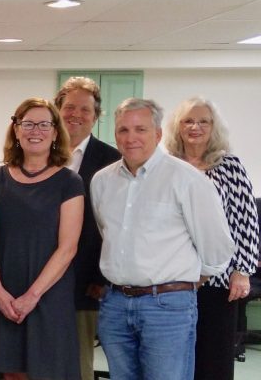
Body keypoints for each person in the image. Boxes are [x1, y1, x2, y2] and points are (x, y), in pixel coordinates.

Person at [92, 98, 235, 379]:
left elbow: (217, 251)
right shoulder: (102, 181)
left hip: (168, 308)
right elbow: (107, 233)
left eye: (140, 129)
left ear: (157, 134)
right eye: (123, 130)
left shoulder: (187, 179)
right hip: (115, 306)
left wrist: (183, 284)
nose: (131, 137)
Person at [0, 98, 83, 380]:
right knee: (12, 373)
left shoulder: (69, 182)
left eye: (43, 124)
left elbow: (68, 247)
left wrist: (33, 296)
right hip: (7, 293)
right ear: (15, 130)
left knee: (47, 372)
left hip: (49, 294)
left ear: (55, 132)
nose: (34, 131)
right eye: (27, 124)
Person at [163, 97, 259, 380]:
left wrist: (242, 271)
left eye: (203, 121)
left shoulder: (230, 165)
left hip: (218, 278)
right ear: (177, 127)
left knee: (213, 357)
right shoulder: (166, 166)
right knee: (174, 356)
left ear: (213, 127)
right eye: (188, 121)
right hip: (172, 278)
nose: (195, 127)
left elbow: (246, 220)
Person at [52, 76, 121, 380]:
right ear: (57, 109)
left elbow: (116, 225)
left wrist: (102, 277)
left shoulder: (111, 161)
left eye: (85, 109)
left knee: (78, 363)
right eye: (69, 107)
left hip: (86, 280)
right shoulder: (38, 153)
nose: (76, 115)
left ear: (95, 117)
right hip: (35, 276)